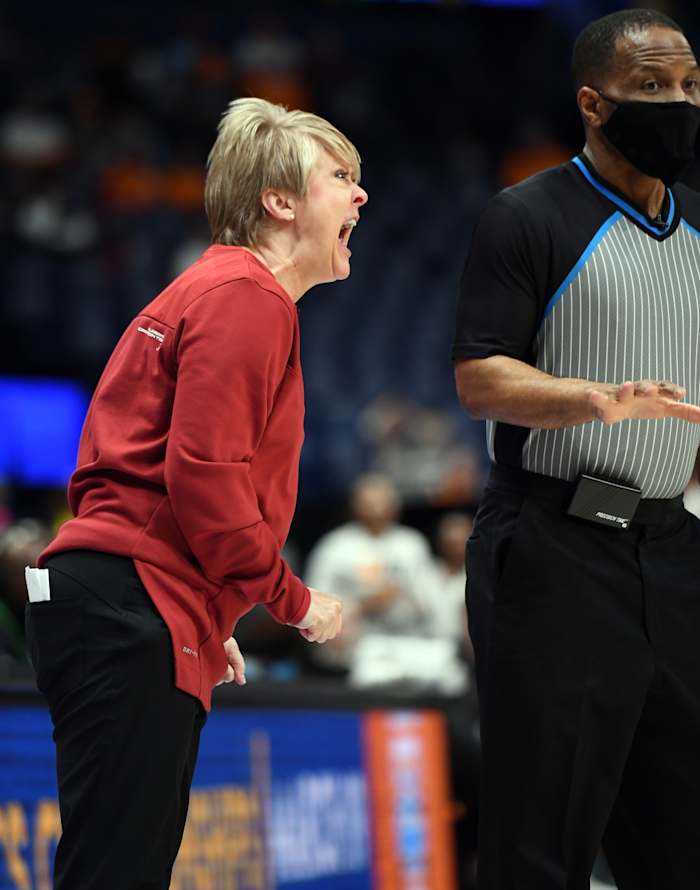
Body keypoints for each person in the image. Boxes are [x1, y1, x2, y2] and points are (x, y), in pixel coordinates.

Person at [26, 97, 367, 890]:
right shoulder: (248, 298)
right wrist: (292, 600)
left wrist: (207, 608)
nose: (360, 196)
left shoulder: (213, 290)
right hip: (128, 600)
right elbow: (204, 479)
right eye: (340, 178)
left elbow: (132, 475)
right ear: (279, 202)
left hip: (124, 594)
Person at [453, 9, 700, 889]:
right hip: (553, 544)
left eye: (688, 86)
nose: (677, 102)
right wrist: (597, 400)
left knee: (681, 844)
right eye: (652, 87)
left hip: (674, 553)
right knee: (537, 846)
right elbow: (481, 378)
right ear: (594, 103)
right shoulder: (526, 215)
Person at [304, 473, 436, 674]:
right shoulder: (335, 545)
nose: (376, 509)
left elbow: (431, 601)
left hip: (406, 645)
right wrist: (363, 605)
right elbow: (313, 601)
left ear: (395, 506)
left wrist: (401, 596)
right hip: (350, 651)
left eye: (383, 502)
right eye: (368, 502)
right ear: (354, 505)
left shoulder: (411, 544)